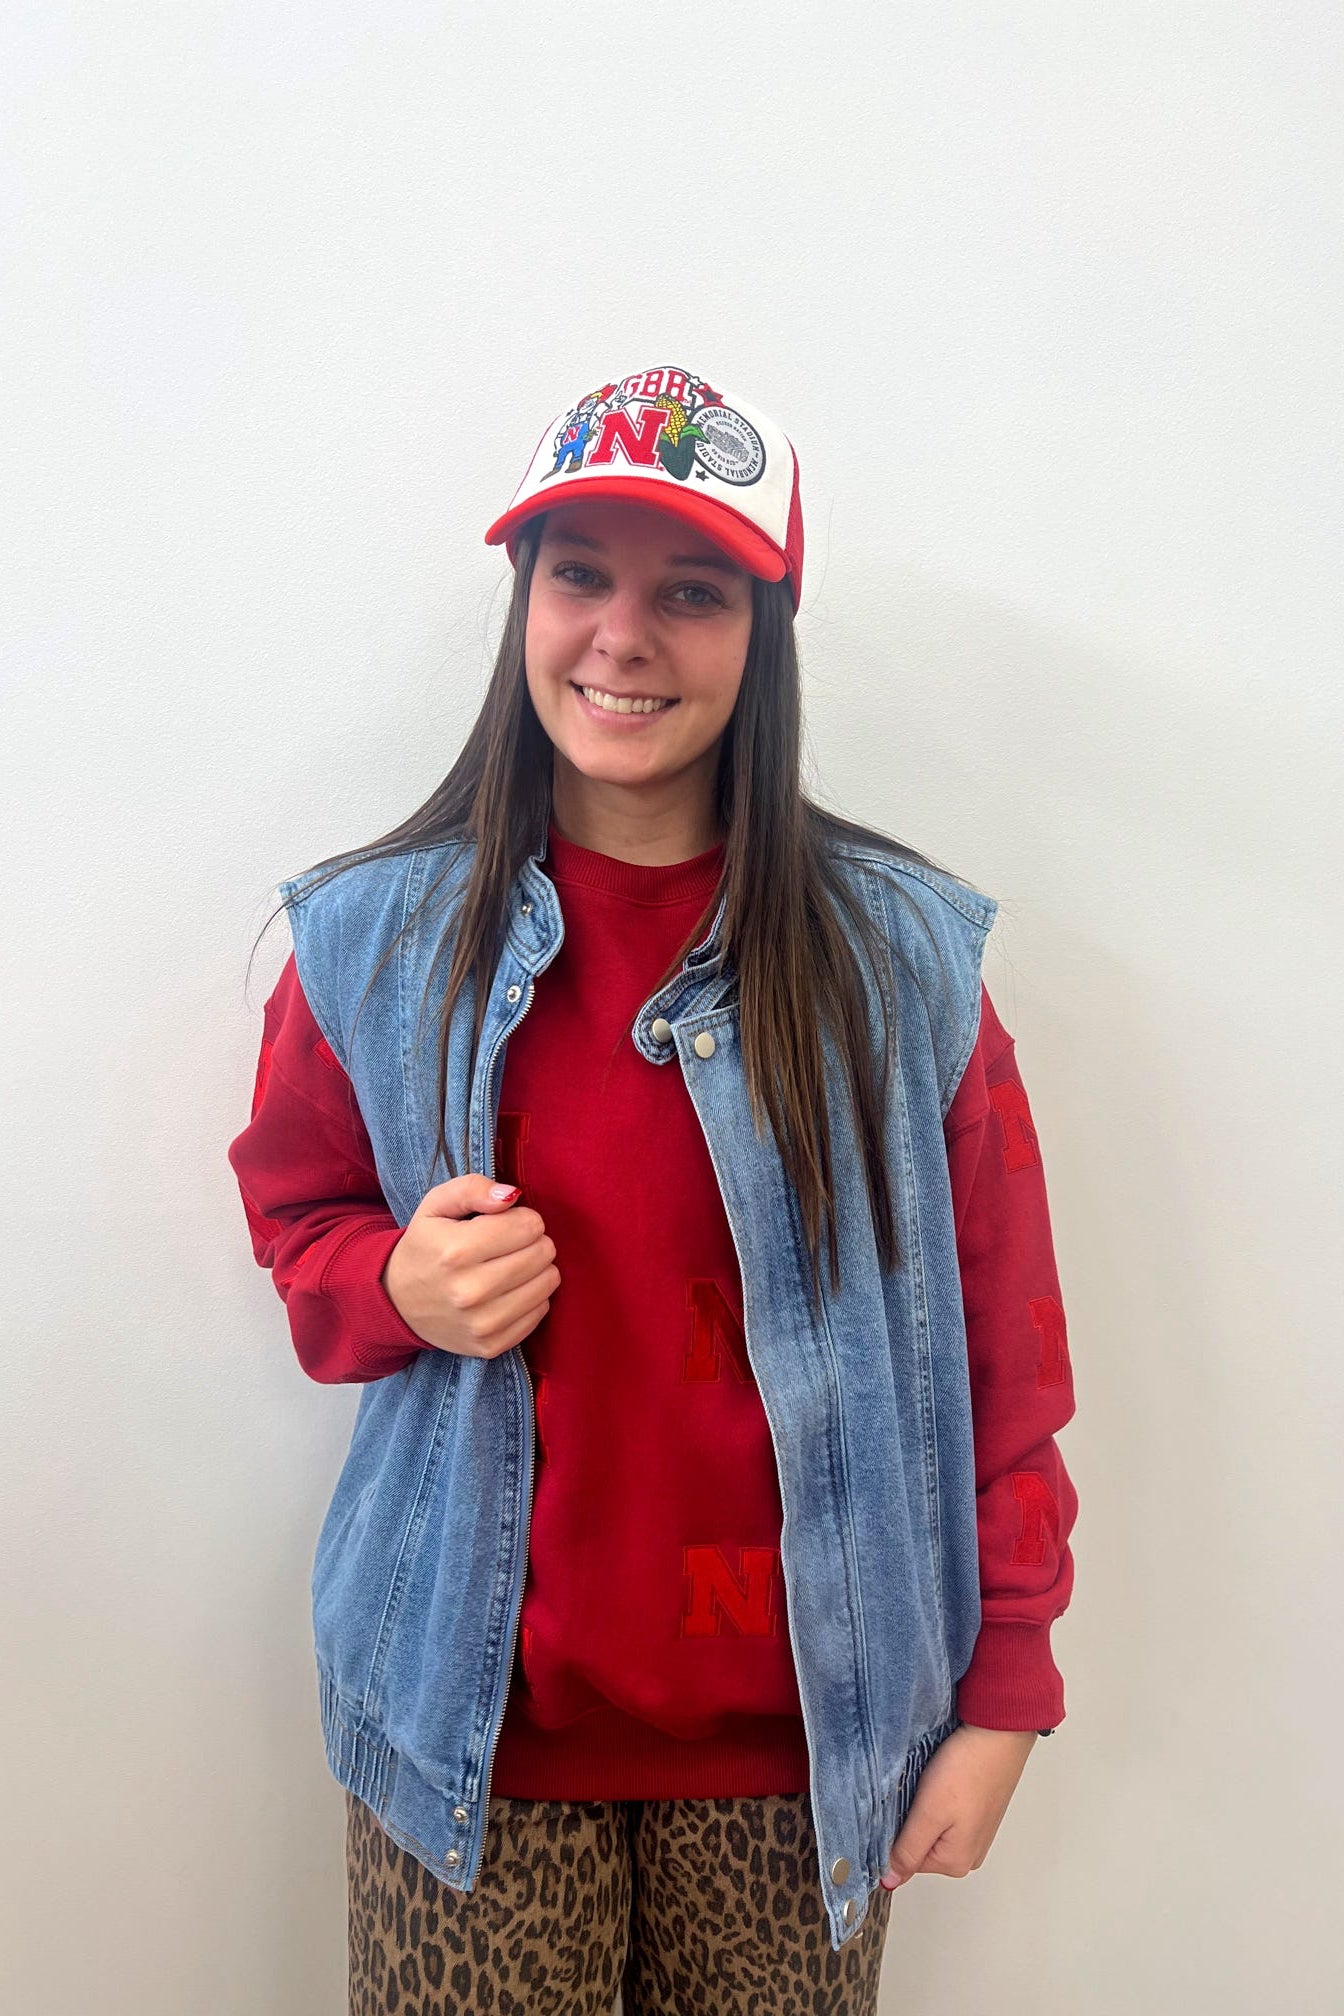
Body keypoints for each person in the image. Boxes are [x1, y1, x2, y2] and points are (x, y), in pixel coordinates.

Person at [227, 363, 1078, 2016]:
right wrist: (387, 1285)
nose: (623, 636)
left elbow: (1005, 1347)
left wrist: (1008, 1688)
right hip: (464, 1741)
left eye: (690, 592)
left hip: (803, 1755)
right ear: (525, 603)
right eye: (580, 576)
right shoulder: (370, 943)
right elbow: (298, 1223)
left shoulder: (902, 968)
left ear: (764, 635)